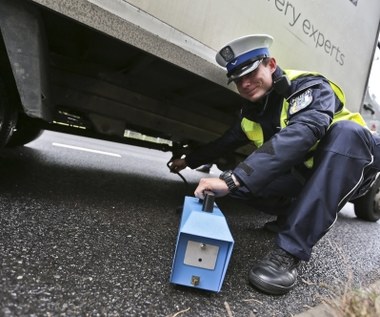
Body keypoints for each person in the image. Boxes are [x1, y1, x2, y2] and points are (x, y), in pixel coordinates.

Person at [168, 34, 380, 295]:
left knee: (346, 132)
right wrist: (187, 161)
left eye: (250, 72)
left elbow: (302, 133)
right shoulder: (251, 116)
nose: (245, 84)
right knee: (241, 183)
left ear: (270, 64)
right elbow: (222, 144)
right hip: (306, 175)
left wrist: (233, 179)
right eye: (237, 80)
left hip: (355, 167)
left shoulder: (307, 87)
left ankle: (288, 253)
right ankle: (287, 216)